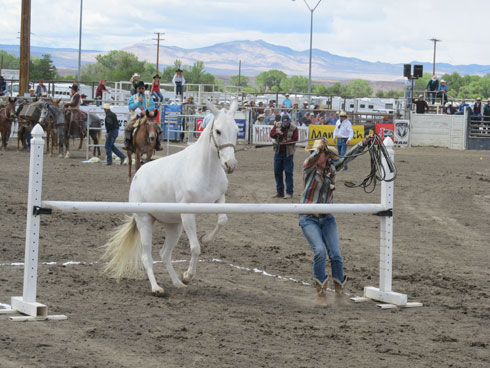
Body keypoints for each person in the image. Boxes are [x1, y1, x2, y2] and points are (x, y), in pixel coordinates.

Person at [299, 135, 374, 304]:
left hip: (327, 219)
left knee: (336, 255)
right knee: (319, 251)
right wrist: (319, 150)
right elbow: (308, 162)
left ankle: (340, 292)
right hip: (308, 218)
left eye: (319, 153)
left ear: (327, 156)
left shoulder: (332, 168)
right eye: (314, 153)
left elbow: (349, 157)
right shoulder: (309, 169)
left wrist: (362, 144)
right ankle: (321, 293)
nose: (315, 155)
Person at [125, 80, 162, 151]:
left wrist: (146, 111)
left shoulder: (149, 97)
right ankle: (128, 143)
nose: (141, 90)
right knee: (128, 126)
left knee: (158, 127)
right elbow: (130, 107)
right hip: (136, 116)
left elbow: (152, 106)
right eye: (140, 88)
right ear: (137, 89)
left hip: (147, 116)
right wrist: (138, 102)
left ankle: (158, 144)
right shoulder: (132, 97)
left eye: (142, 88)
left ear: (145, 89)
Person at [270, 113, 298, 199]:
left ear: (289, 122)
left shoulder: (294, 128)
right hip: (278, 151)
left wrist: (285, 141)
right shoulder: (277, 125)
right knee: (277, 172)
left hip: (288, 153)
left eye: (287, 123)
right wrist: (276, 132)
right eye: (284, 123)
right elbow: (271, 134)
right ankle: (280, 192)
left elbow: (295, 139)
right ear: (281, 121)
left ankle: (289, 192)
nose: (285, 125)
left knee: (288, 172)